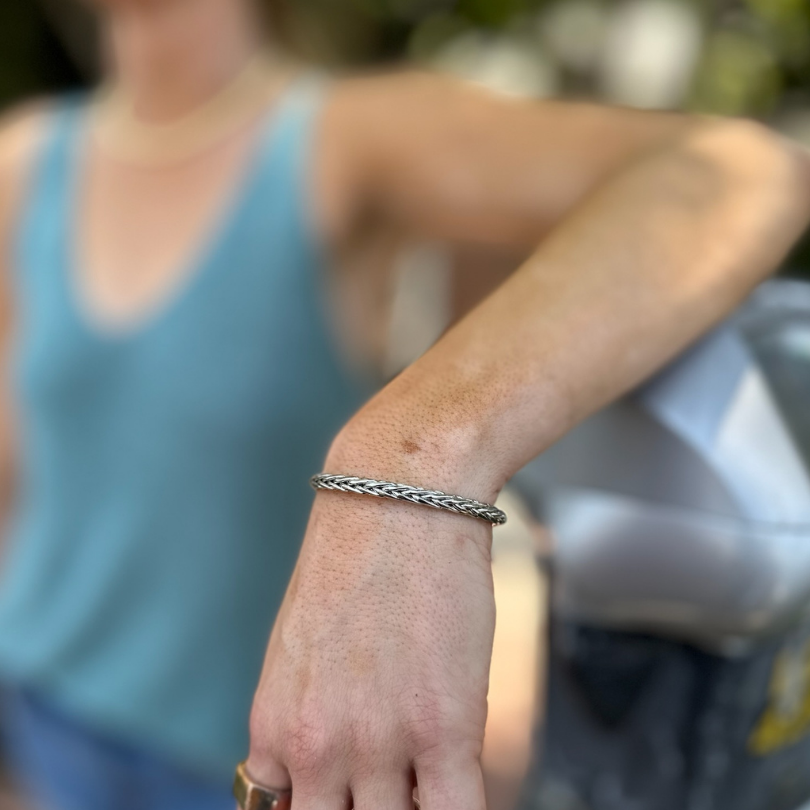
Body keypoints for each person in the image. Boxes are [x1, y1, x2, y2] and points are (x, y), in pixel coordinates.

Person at [0, 0, 807, 808]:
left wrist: (413, 456)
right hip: (40, 708)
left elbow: (728, 170)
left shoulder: (343, 134)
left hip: (258, 763)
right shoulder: (28, 158)